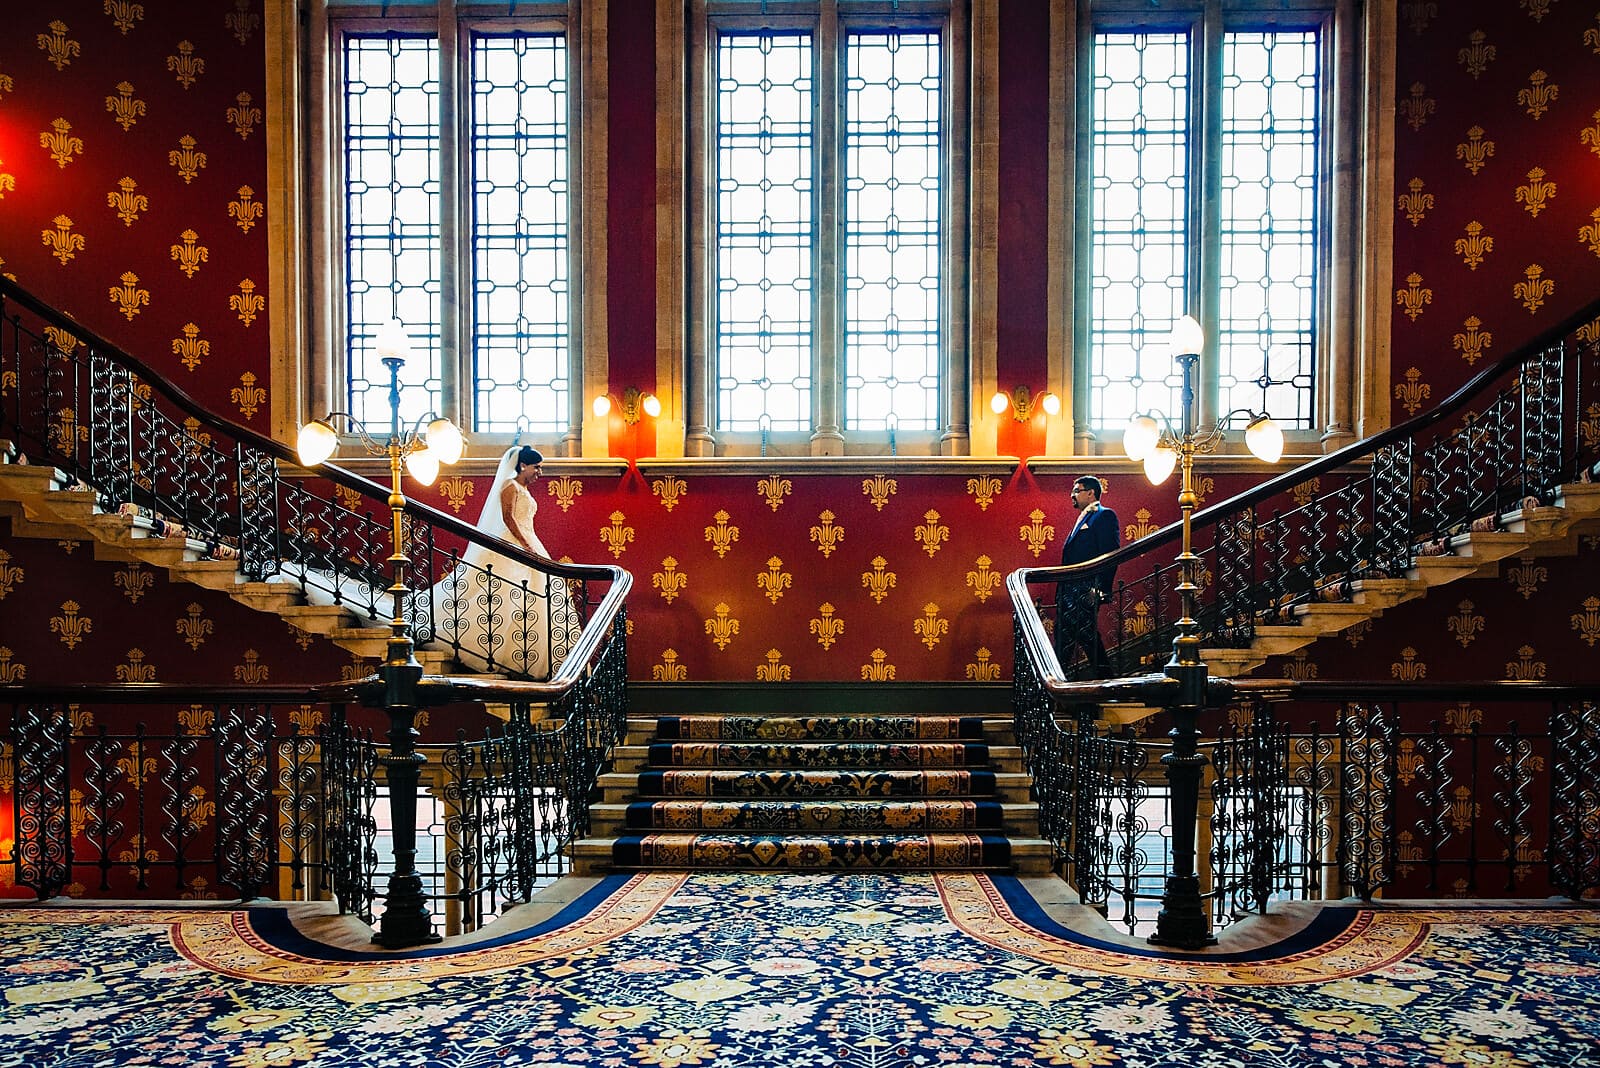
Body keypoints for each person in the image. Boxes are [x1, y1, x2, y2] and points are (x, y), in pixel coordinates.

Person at [430, 445, 582, 677]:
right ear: (522, 466)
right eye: (536, 468)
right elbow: (508, 518)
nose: (539, 473)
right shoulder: (509, 486)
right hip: (514, 543)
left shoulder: (524, 489)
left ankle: (536, 659)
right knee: (503, 596)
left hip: (529, 541)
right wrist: (525, 545)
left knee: (536, 596)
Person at [1055, 475, 1119, 678]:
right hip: (1069, 592)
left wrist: (1100, 590)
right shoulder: (1083, 518)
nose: (1072, 495)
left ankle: (1106, 682)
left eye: (1077, 490)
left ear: (1091, 493)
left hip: (1086, 590)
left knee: (1086, 636)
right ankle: (1058, 683)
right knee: (1067, 637)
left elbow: (1110, 554)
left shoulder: (1104, 516)